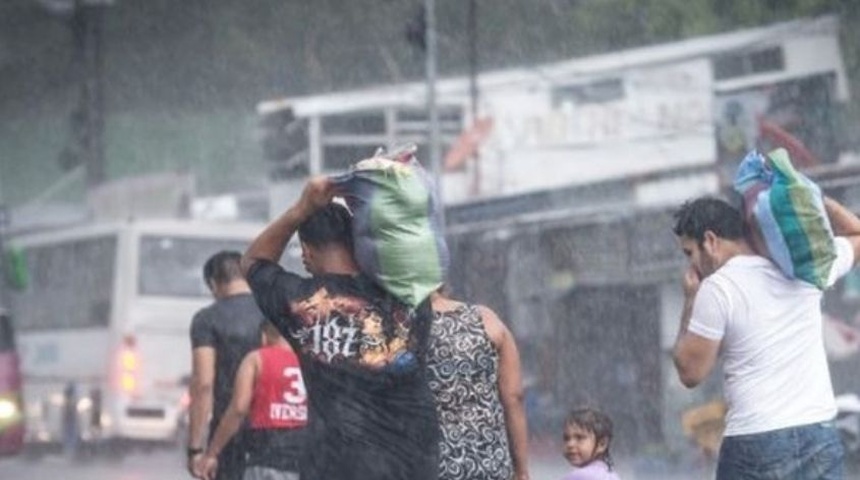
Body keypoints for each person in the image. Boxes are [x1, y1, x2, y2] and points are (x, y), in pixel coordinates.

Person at [239, 177, 440, 480]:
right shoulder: (408, 296)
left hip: (337, 466)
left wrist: (300, 209)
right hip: (412, 465)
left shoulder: (299, 303)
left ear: (306, 251)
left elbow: (253, 261)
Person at [672, 195, 860, 479]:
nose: (691, 267)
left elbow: (690, 372)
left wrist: (690, 299)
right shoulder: (806, 267)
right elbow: (857, 234)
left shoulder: (717, 288)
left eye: (689, 253)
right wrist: (813, 198)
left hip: (756, 441)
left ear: (710, 241)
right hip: (818, 434)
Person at [425, 290, 530, 480]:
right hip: (489, 461)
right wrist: (521, 469)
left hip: (430, 463)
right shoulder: (486, 318)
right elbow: (514, 397)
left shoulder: (402, 325)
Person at [187, 251, 264, 480]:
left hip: (227, 434)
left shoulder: (207, 319)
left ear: (213, 283)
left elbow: (203, 384)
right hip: (276, 434)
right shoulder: (272, 311)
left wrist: (195, 448)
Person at [197, 321, 307, 480]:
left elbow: (239, 409)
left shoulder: (256, 359)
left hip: (265, 455)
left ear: (264, 335)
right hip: (301, 458)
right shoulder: (311, 364)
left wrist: (212, 452)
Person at [559, 407, 620, 480]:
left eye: (580, 438)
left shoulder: (579, 477)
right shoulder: (611, 475)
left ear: (602, 444)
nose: (570, 444)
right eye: (566, 438)